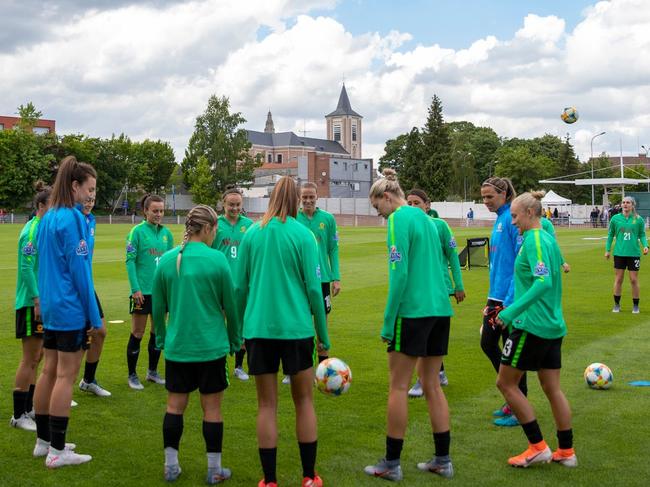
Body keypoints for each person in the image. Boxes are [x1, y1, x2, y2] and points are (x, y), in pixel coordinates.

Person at [236, 176, 329, 487]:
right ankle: (309, 477)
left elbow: (239, 287)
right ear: (295, 199)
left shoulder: (251, 234)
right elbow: (315, 292)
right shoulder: (304, 236)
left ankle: (270, 480)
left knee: (266, 405)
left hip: (258, 330)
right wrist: (324, 338)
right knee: (304, 402)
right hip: (297, 330)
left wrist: (238, 331)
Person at [364, 169, 454, 481]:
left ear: (386, 198)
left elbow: (399, 274)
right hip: (440, 310)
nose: (379, 215)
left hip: (413, 314)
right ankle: (443, 459)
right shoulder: (428, 220)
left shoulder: (399, 219)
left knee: (399, 386)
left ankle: (391, 463)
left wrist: (389, 322)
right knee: (431, 385)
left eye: (378, 208)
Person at [152, 205, 240, 483]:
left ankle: (170, 466)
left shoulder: (167, 260)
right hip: (211, 347)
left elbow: (158, 308)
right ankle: (214, 470)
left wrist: (162, 338)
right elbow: (231, 306)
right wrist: (235, 340)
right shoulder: (217, 260)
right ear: (209, 228)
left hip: (179, 347)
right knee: (211, 409)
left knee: (175, 406)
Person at [495, 191, 576, 468]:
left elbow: (542, 283)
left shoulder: (536, 239)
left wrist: (510, 312)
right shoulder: (548, 239)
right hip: (552, 325)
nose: (513, 221)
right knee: (552, 388)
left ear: (530, 213)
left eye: (515, 216)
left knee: (505, 383)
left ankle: (537, 446)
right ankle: (566, 451)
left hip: (532, 325)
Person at [33, 155, 101, 467]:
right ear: (74, 186)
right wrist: (94, 317)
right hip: (70, 308)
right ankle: (58, 452)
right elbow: (80, 272)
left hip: (51, 307)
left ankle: (44, 441)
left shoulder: (47, 217)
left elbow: (44, 265)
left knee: (48, 372)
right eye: (90, 188)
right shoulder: (72, 218)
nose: (91, 194)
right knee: (64, 376)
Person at [405, 188, 464, 396]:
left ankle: (423, 380)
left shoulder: (440, 226)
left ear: (427, 205)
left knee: (426, 335)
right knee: (430, 336)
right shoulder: (407, 225)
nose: (412, 207)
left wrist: (459, 285)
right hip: (420, 287)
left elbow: (453, 256)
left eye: (416, 203)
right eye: (409, 203)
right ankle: (439, 374)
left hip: (439, 287)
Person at [480, 176, 527, 427]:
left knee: (512, 352)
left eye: (490, 197)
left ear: (504, 194)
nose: (486, 201)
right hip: (496, 295)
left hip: (509, 298)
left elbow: (518, 264)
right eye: (483, 197)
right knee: (489, 344)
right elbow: (498, 265)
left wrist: (508, 301)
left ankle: (519, 404)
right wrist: (490, 298)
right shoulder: (500, 218)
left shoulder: (512, 218)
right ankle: (513, 398)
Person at [11, 182, 51, 432]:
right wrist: (37, 300)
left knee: (39, 356)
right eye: (52, 206)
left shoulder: (42, 229)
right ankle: (18, 415)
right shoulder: (32, 231)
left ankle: (30, 407)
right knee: (30, 359)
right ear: (40, 206)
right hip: (30, 303)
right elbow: (26, 268)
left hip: (41, 302)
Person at [125, 194, 174, 389]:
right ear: (145, 211)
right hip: (142, 292)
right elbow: (130, 261)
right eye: (155, 211)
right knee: (138, 332)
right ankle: (132, 375)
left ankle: (152, 372)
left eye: (161, 211)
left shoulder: (167, 234)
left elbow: (170, 263)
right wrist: (135, 289)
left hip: (161, 293)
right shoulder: (136, 232)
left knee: (157, 332)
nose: (159, 214)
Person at [211, 187, 253, 381]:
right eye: (231, 205)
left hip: (242, 286)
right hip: (218, 285)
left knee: (239, 328)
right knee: (217, 325)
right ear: (223, 204)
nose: (235, 208)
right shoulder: (215, 225)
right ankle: (216, 364)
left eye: (238, 205)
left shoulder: (250, 226)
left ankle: (238, 366)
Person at [297, 182, 341, 367]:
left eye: (311, 196)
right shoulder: (293, 218)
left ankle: (324, 369)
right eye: (304, 197)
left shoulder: (328, 219)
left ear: (317, 197)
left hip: (322, 278)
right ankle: (299, 367)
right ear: (300, 198)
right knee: (301, 323)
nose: (308, 200)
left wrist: (336, 277)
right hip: (300, 279)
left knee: (321, 323)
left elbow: (333, 249)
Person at [77, 196, 111, 397]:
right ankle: (60, 387)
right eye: (86, 196)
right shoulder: (71, 219)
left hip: (87, 284)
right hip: (72, 287)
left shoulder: (92, 220)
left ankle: (88, 380)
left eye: (93, 196)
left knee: (100, 332)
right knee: (77, 338)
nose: (90, 202)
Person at [605, 196, 649, 313]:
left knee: (634, 280)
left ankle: (635, 305)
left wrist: (645, 246)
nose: (625, 204)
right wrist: (607, 250)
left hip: (634, 253)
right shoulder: (615, 219)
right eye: (623, 202)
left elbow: (642, 234)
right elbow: (610, 235)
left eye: (628, 202)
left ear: (632, 205)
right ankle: (617, 305)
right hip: (619, 253)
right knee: (618, 279)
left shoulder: (638, 219)